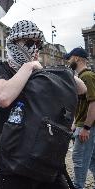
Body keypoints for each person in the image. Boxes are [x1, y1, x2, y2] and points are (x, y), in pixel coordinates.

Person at [0, 20, 87, 189]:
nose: (34, 48)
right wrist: (29, 66)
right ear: (14, 43)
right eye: (28, 43)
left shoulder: (41, 72)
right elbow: (3, 97)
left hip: (44, 156)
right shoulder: (1, 68)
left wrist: (53, 72)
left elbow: (81, 88)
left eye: (38, 44)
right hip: (13, 164)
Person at [65, 47, 95, 189]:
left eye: (70, 58)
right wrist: (75, 123)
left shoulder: (86, 76)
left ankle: (77, 187)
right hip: (82, 124)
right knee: (92, 160)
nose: (68, 60)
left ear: (76, 58)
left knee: (79, 159)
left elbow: (93, 103)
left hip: (87, 126)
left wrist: (86, 128)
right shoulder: (82, 76)